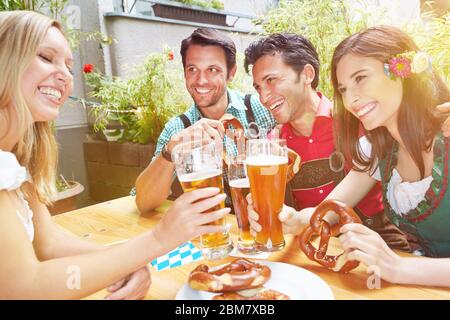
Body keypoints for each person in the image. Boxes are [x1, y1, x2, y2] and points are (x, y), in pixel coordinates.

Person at [0, 11, 229, 299]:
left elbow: (49, 242)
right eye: (46, 57)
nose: (64, 76)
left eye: (69, 67)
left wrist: (128, 263)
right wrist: (158, 240)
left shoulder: (14, 162)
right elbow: (24, 288)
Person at [250, 25, 450, 287]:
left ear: (402, 72)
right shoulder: (379, 149)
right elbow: (332, 208)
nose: (352, 99)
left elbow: (398, 264)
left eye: (361, 78)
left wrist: (398, 266)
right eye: (343, 89)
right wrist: (293, 220)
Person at [244, 33, 409, 250]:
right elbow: (271, 209)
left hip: (381, 246)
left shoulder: (365, 121)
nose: (264, 98)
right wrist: (258, 208)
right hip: (309, 249)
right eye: (258, 88)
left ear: (307, 74)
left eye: (271, 80)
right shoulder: (271, 149)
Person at [135, 28, 275, 214]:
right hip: (211, 233)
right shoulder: (178, 129)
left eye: (212, 69)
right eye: (192, 69)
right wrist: (169, 154)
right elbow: (144, 202)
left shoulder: (261, 110)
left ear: (231, 72)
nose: (201, 80)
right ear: (184, 73)